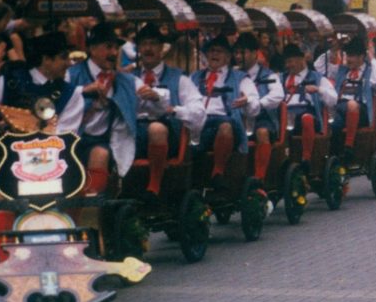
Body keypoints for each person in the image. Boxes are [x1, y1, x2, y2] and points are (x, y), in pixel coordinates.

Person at [68, 24, 144, 196]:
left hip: (101, 140)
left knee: (100, 154)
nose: (114, 53)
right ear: (92, 49)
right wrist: (83, 91)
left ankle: (92, 206)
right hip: (70, 136)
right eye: (108, 47)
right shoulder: (71, 75)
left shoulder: (126, 80)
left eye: (116, 48)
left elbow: (148, 92)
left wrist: (155, 95)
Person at [132, 23, 204, 197]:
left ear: (162, 47)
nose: (148, 48)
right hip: (133, 132)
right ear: (139, 48)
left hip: (167, 134)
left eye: (153, 44)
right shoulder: (128, 77)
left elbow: (199, 112)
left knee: (156, 129)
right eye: (144, 44)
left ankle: (154, 186)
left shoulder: (179, 78)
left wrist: (174, 110)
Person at [190, 35, 258, 185]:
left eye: (219, 51)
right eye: (211, 51)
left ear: (228, 57)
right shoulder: (195, 77)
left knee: (225, 127)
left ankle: (218, 173)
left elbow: (254, 104)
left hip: (225, 123)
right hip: (198, 123)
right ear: (206, 55)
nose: (214, 54)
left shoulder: (240, 78)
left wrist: (247, 100)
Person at [232, 33, 284, 185]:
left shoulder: (269, 74)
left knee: (262, 132)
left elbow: (277, 96)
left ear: (255, 53)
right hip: (238, 118)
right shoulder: (232, 74)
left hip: (263, 118)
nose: (238, 57)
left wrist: (257, 104)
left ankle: (259, 178)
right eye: (236, 53)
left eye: (243, 52)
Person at [280, 42, 335, 164]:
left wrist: (318, 90)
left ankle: (306, 159)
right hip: (285, 115)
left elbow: (333, 99)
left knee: (307, 118)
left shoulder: (317, 77)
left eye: (290, 61)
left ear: (301, 60)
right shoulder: (281, 78)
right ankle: (282, 159)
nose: (288, 65)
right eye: (286, 62)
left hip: (307, 115)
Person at [330, 36, 376, 161]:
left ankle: (349, 146)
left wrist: (372, 58)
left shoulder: (370, 71)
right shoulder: (342, 70)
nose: (348, 59)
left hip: (361, 110)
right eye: (347, 55)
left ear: (361, 57)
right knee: (333, 124)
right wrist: (333, 50)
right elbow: (319, 67)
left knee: (352, 104)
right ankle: (334, 157)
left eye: (351, 56)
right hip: (340, 108)